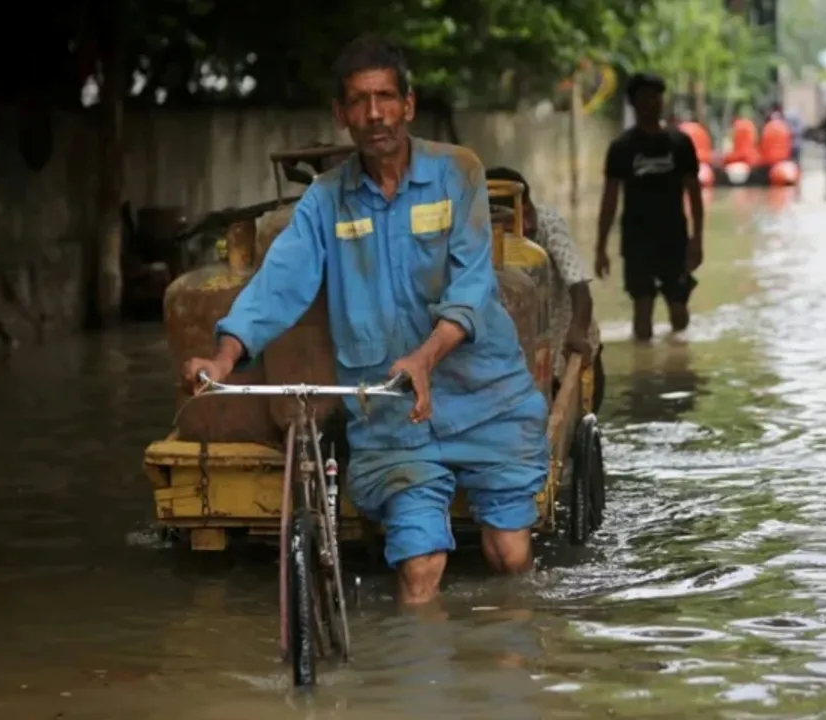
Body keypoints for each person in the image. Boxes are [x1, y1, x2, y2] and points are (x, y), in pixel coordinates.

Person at [180, 35, 549, 606]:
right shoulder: (327, 200)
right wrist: (223, 355)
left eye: (384, 97)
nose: (373, 114)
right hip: (392, 411)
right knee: (421, 564)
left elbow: (473, 285)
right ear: (341, 114)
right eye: (358, 101)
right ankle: (413, 684)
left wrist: (426, 358)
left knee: (509, 555)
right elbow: (279, 283)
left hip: (486, 399)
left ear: (408, 104)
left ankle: (507, 670)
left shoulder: (458, 172)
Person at [483, 166, 604, 413]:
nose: (526, 224)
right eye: (513, 220)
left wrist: (577, 332)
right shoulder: (477, 238)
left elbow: (578, 283)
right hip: (525, 350)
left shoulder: (548, 224)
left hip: (568, 337)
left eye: (528, 212)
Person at [595, 73, 705, 341]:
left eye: (656, 97)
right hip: (637, 240)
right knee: (642, 310)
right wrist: (601, 248)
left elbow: (694, 193)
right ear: (634, 103)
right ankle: (645, 375)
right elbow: (610, 199)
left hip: (674, 238)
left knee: (678, 310)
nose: (651, 103)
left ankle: (679, 362)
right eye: (644, 98)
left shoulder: (680, 143)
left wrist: (697, 239)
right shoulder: (621, 148)